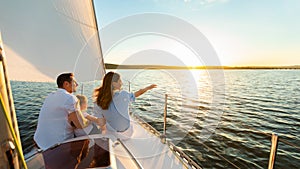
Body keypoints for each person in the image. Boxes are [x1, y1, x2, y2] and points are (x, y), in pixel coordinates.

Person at [34, 73, 89, 150]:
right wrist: (89, 121)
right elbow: (81, 124)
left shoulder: (50, 96)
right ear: (66, 84)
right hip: (58, 145)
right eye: (74, 82)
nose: (77, 84)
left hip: (39, 141)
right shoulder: (70, 98)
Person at [93, 71, 156, 139]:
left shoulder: (98, 101)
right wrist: (148, 88)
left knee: (106, 123)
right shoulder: (123, 95)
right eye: (120, 81)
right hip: (127, 134)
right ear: (114, 84)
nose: (122, 83)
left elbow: (101, 123)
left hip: (112, 133)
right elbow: (138, 93)